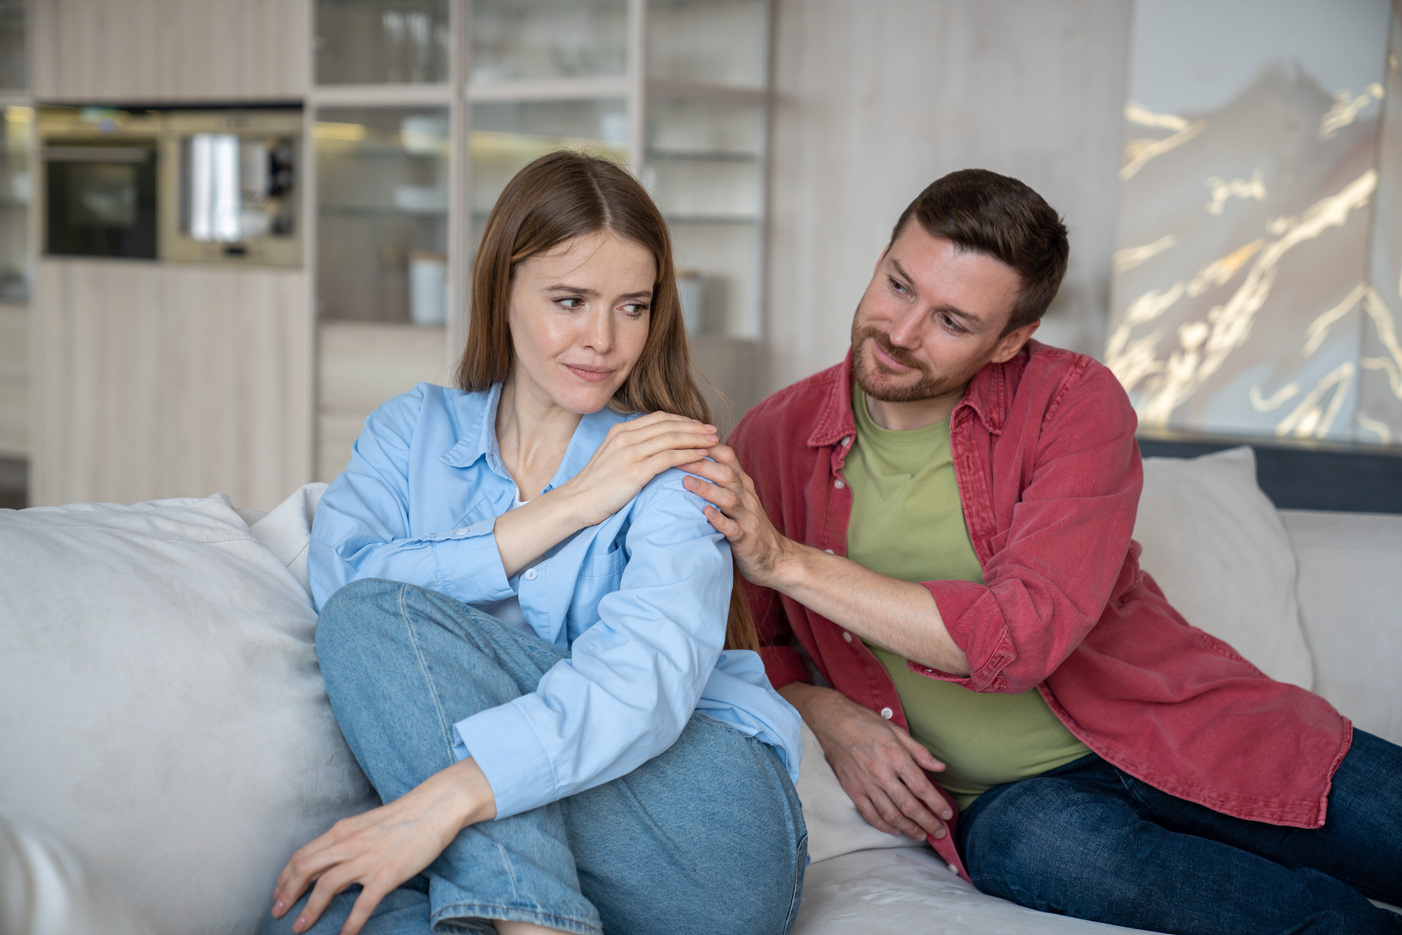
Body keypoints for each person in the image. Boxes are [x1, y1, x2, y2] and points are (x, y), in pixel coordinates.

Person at [680, 168, 1402, 934]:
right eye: (897, 284)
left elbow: (1017, 639)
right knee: (1043, 848)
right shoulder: (773, 436)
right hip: (1016, 808)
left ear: (1011, 340)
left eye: (953, 322)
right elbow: (747, 643)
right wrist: (826, 711)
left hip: (1181, 726)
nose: (900, 331)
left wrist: (789, 560)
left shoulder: (1074, 403)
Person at [263, 150, 806, 935]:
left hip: (701, 835)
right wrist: (572, 505)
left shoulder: (672, 463)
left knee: (371, 617)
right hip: (559, 846)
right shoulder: (410, 430)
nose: (603, 339)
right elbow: (340, 575)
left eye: (631, 306)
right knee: (307, 919)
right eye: (571, 299)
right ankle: (536, 915)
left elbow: (643, 680)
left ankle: (526, 914)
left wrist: (449, 795)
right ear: (503, 288)